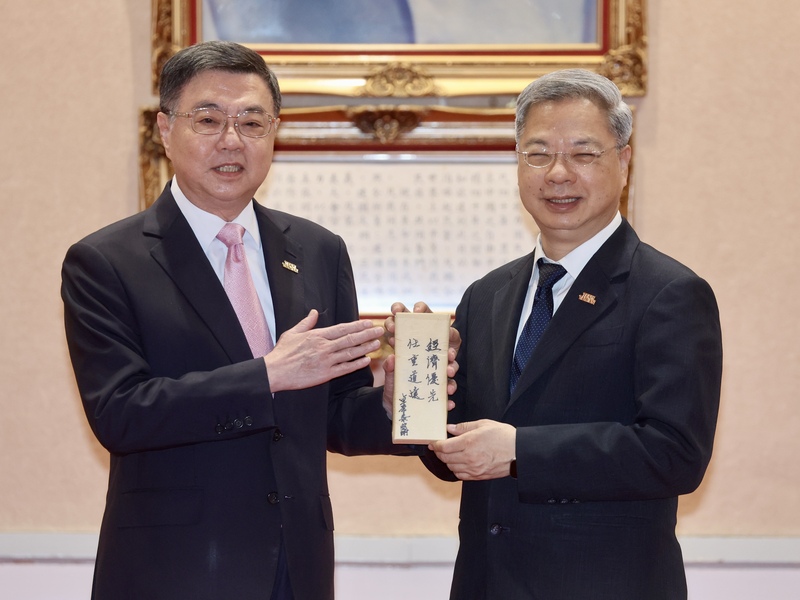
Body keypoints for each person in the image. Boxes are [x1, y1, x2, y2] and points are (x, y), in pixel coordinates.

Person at [61, 40, 456, 600]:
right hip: (174, 569)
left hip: (296, 566)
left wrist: (396, 402)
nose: (231, 139)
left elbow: (334, 415)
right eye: (208, 119)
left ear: (275, 132)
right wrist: (268, 374)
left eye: (251, 121)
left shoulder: (319, 249)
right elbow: (121, 414)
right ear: (165, 130)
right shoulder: (106, 260)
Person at [419, 69, 723, 599]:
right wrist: (413, 390)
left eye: (583, 154)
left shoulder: (669, 292)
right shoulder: (485, 295)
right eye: (538, 154)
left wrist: (520, 452)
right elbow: (455, 449)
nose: (558, 174)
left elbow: (676, 452)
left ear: (624, 163)